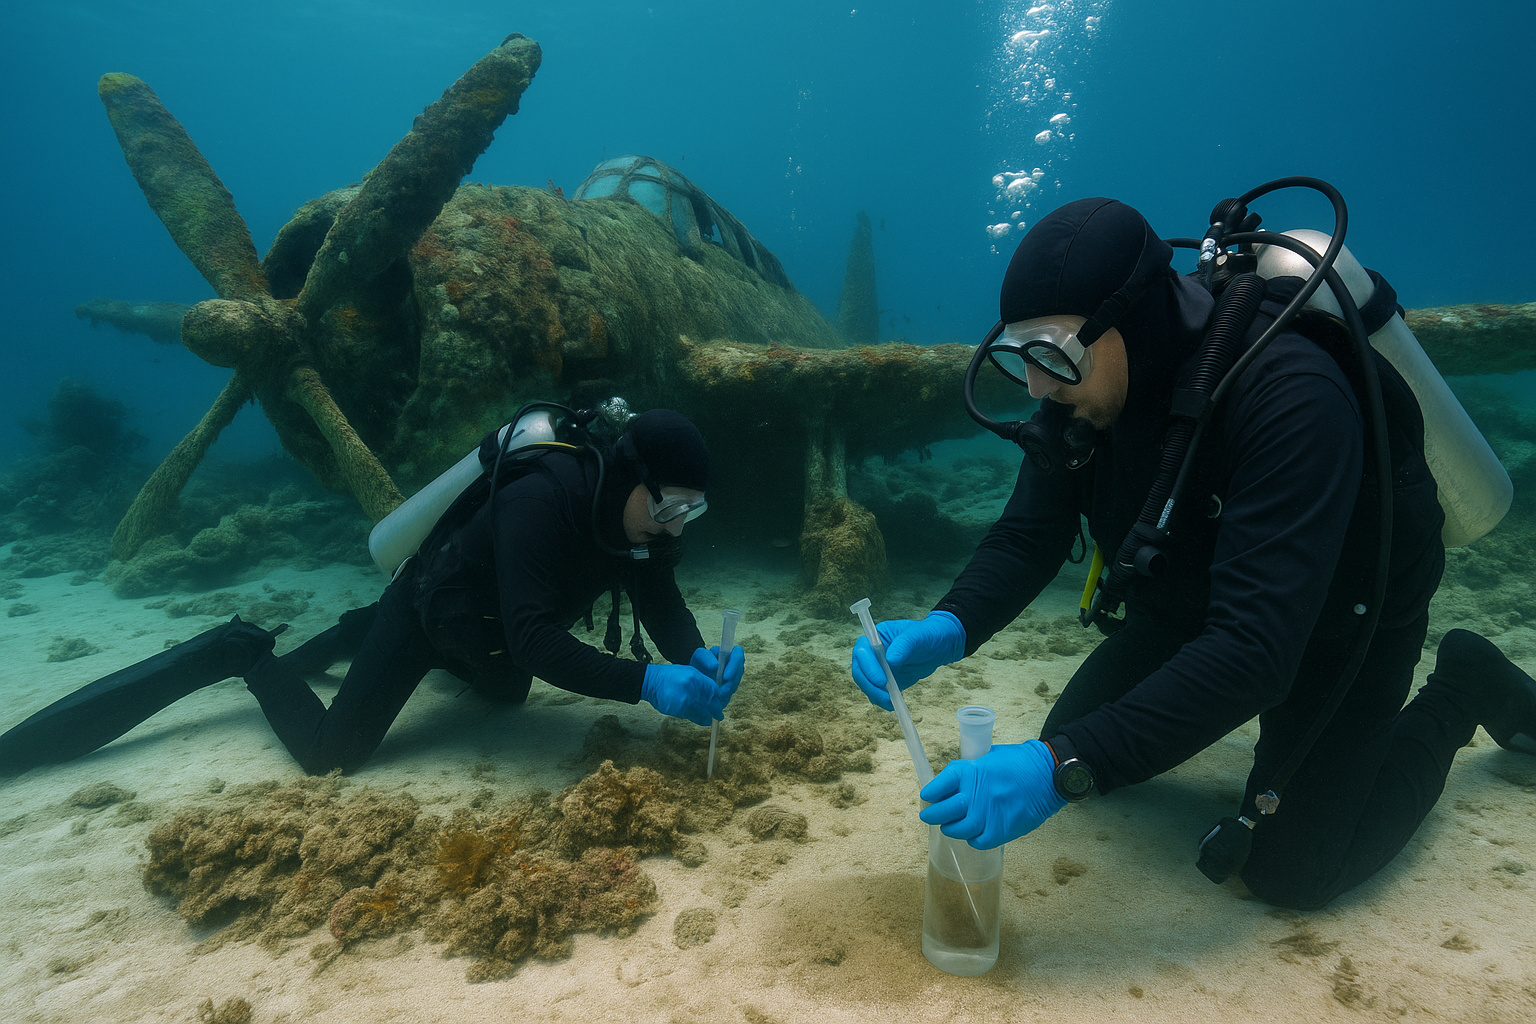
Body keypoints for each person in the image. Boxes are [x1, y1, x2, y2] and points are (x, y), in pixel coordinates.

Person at [850, 197, 1536, 910]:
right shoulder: (1084, 396)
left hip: (1339, 624)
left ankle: (1465, 686)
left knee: (1292, 872)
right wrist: (950, 626)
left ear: (1134, 322)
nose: (1037, 386)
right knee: (1077, 740)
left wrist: (1060, 769)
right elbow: (1031, 532)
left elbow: (1254, 651)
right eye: (1020, 355)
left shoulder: (1290, 396)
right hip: (1197, 602)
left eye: (1053, 353)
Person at [1, 408, 743, 776]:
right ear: (628, 474)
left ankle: (354, 632)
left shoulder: (642, 523)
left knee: (507, 695)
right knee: (332, 755)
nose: (676, 525)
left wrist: (697, 656)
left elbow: (660, 604)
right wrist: (649, 682)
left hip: (493, 623)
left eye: (693, 511)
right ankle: (240, 652)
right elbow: (534, 639)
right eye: (669, 504)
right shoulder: (545, 496)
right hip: (432, 610)